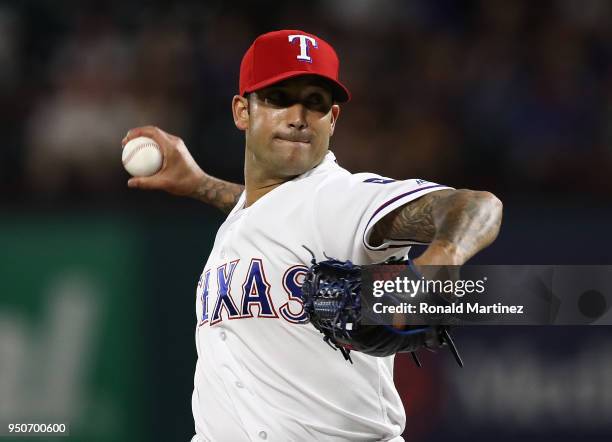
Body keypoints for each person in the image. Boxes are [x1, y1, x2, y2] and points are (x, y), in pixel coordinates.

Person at [122, 29, 502, 442]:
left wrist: (438, 260)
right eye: (278, 98)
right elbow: (269, 213)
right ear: (241, 111)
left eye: (315, 103)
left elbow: (478, 206)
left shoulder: (344, 199)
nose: (298, 116)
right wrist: (201, 184)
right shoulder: (249, 215)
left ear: (332, 119)